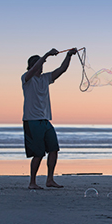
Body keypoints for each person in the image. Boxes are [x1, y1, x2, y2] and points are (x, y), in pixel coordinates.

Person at [22, 48, 77, 189]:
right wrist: (46, 55)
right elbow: (33, 70)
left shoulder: (45, 78)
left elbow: (62, 69)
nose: (41, 67)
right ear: (32, 66)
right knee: (38, 153)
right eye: (39, 64)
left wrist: (68, 56)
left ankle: (50, 180)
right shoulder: (26, 78)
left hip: (45, 120)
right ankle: (32, 182)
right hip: (32, 120)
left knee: (54, 149)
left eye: (42, 64)